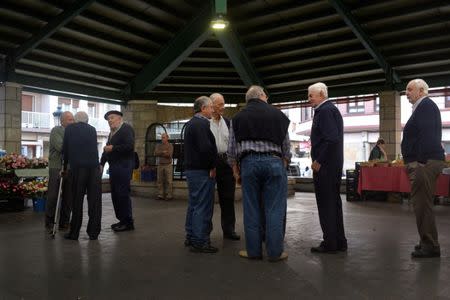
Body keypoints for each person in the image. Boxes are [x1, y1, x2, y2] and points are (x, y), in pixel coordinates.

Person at [228, 85, 291, 262]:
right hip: (274, 162)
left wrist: (235, 169)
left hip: (249, 163)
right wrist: (284, 162)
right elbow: (286, 145)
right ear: (262, 95)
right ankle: (275, 253)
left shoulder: (237, 118)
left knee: (251, 208)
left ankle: (253, 251)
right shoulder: (278, 115)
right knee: (274, 209)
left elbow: (232, 149)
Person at [402, 79, 446, 258]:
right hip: (426, 161)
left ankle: (430, 245)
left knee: (422, 205)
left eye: (410, 89)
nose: (407, 93)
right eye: (406, 90)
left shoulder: (426, 106)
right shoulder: (423, 107)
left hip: (424, 163)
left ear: (421, 91)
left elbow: (427, 134)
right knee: (422, 204)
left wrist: (419, 161)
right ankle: (426, 241)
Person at [309, 82, 347, 254]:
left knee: (326, 204)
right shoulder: (331, 110)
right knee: (334, 203)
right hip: (333, 166)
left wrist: (319, 160)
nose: (309, 99)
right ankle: (339, 241)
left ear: (322, 94)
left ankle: (330, 242)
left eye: (311, 95)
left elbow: (331, 138)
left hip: (325, 167)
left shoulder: (324, 111)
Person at [184, 96, 218, 253]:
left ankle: (191, 236)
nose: (213, 110)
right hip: (202, 171)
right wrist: (212, 165)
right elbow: (206, 149)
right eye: (211, 107)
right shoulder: (201, 124)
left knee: (194, 205)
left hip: (192, 171)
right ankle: (200, 241)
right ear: (203, 108)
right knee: (202, 207)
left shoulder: (192, 124)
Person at [62, 111, 102, 240]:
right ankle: (93, 233)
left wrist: (65, 165)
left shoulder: (69, 129)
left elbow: (65, 149)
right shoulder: (92, 129)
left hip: (78, 169)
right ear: (87, 120)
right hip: (94, 169)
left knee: (77, 201)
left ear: (75, 119)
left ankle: (74, 233)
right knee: (94, 201)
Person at [209, 93, 240, 241]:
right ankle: (204, 232)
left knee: (228, 198)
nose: (223, 107)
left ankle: (229, 230)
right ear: (212, 105)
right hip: (210, 163)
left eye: (223, 104)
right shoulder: (205, 123)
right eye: (220, 104)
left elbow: (234, 145)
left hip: (226, 163)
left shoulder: (229, 122)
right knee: (207, 199)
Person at [100, 110, 136, 232]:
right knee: (115, 194)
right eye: (108, 119)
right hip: (115, 168)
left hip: (124, 167)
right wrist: (101, 163)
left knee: (122, 194)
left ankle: (128, 222)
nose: (109, 121)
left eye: (112, 118)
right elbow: (106, 150)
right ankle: (122, 220)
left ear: (120, 118)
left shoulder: (126, 129)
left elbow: (129, 146)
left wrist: (113, 148)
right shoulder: (112, 133)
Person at [45, 111, 74, 231]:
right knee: (53, 195)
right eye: (69, 119)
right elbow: (61, 147)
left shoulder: (73, 133)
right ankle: (50, 220)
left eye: (73, 119)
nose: (72, 122)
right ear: (62, 121)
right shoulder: (57, 130)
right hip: (56, 166)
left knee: (68, 196)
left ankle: (64, 221)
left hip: (70, 167)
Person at [154, 132, 173, 200]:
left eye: (164, 137)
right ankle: (160, 195)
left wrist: (161, 153)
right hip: (160, 165)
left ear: (167, 138)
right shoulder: (158, 145)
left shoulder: (170, 145)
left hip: (168, 165)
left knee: (169, 181)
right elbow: (155, 153)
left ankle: (169, 195)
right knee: (160, 180)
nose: (162, 139)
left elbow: (169, 155)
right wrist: (163, 152)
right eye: (162, 137)